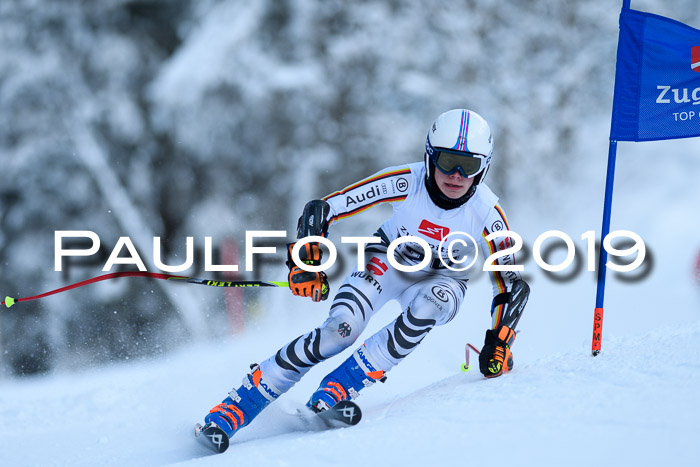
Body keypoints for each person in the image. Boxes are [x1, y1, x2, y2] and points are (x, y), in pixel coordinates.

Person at [201, 109, 530, 442]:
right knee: (340, 332)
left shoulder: (487, 213)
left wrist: (500, 340)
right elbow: (325, 208)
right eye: (447, 161)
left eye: (469, 166)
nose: (457, 175)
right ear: (430, 157)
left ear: (483, 169)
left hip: (443, 278)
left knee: (429, 305)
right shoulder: (406, 181)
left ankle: (337, 390)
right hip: (388, 260)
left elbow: (511, 284)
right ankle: (238, 404)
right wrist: (306, 260)